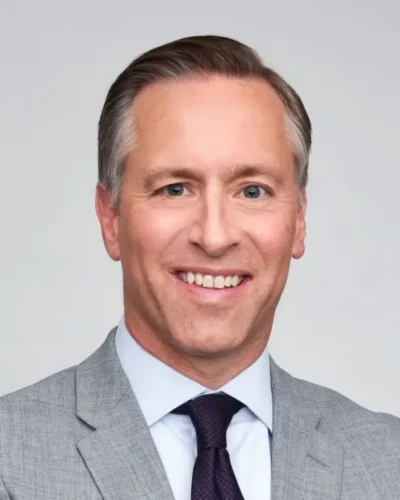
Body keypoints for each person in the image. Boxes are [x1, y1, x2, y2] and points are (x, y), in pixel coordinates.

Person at [0, 34, 399, 500]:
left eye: (253, 191)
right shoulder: (11, 458)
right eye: (175, 188)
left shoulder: (387, 462)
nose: (214, 236)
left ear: (299, 220)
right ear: (110, 218)